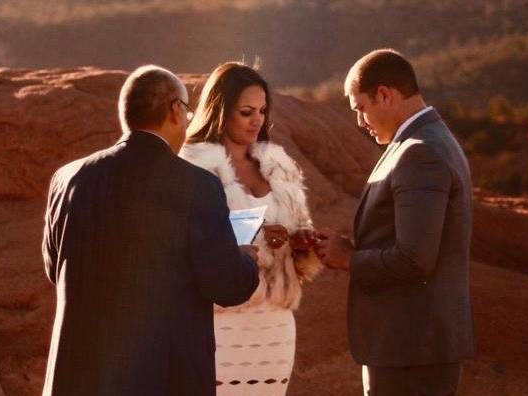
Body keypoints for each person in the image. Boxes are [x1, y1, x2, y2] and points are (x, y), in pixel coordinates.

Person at [41, 65, 260, 396]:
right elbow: (226, 284)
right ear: (175, 110)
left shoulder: (68, 178)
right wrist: (246, 259)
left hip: (77, 378)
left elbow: (55, 269)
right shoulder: (196, 186)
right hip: (160, 379)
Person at [315, 49, 475, 396]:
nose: (359, 122)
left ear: (384, 95)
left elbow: (414, 258)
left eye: (361, 108)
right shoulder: (425, 140)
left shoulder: (421, 152)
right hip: (411, 347)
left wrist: (349, 259)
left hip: (411, 350)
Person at [180, 62, 323, 396]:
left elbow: (301, 256)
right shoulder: (190, 166)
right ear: (221, 110)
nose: (257, 119)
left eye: (261, 110)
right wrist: (246, 241)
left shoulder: (279, 166)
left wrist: (299, 244)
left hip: (274, 325)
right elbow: (182, 247)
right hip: (218, 323)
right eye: (246, 111)